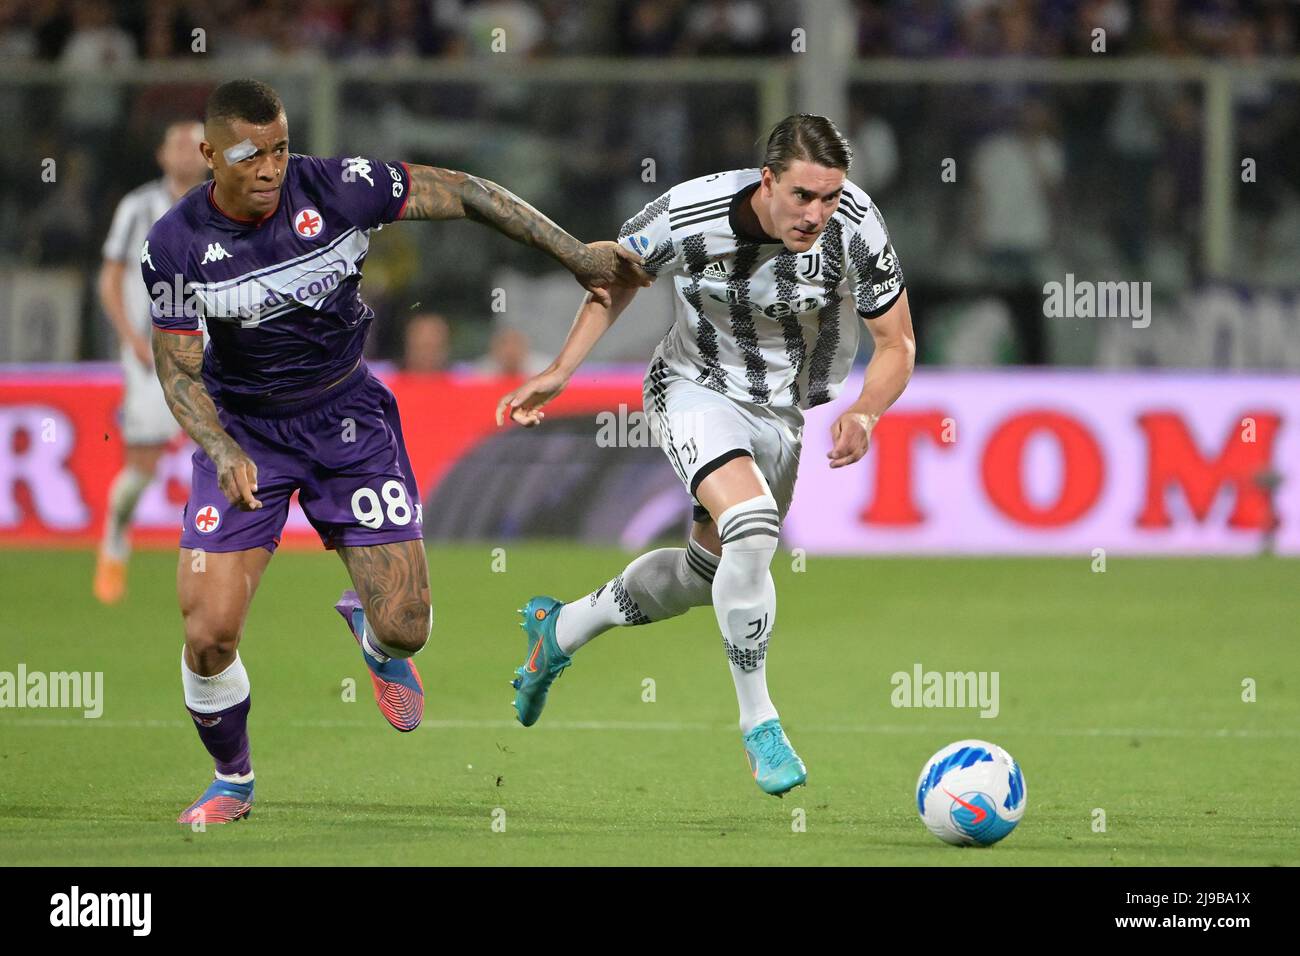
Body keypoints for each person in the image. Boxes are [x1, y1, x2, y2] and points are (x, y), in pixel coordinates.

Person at [145, 79, 647, 825]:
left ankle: (376, 643)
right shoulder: (176, 244)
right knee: (210, 632)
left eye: (281, 147)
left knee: (408, 623)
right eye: (252, 154)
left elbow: (468, 193)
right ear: (208, 152)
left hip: (348, 419)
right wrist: (217, 446)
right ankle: (234, 780)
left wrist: (574, 253)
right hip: (246, 432)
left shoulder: (338, 189)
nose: (272, 167)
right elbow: (179, 370)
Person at [495, 114, 915, 797]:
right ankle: (760, 725)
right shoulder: (690, 210)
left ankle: (562, 628)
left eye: (830, 196)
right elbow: (617, 277)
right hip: (691, 389)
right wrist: (561, 370)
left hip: (782, 414)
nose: (817, 213)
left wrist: (866, 411)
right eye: (803, 196)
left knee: (708, 574)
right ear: (769, 180)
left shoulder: (858, 227)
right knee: (750, 525)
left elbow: (897, 342)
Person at [94, 120, 209, 605]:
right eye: (174, 141)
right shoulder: (137, 207)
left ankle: (215, 557)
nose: (183, 150)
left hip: (212, 351)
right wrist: (128, 339)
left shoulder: (228, 203)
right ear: (161, 155)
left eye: (192, 142)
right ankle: (115, 540)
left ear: (209, 154)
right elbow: (110, 278)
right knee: (141, 465)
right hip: (150, 352)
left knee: (226, 453)